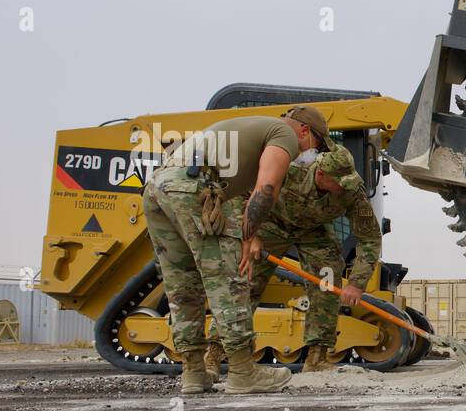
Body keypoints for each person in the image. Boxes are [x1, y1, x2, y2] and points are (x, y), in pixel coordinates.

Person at [142, 106, 332, 394]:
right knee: (228, 281)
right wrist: (249, 235)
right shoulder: (284, 134)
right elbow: (267, 187)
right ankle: (243, 372)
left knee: (182, 284)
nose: (310, 156)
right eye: (315, 148)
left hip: (158, 187)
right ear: (305, 131)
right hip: (195, 188)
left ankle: (193, 372)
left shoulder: (248, 127)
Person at [205, 143, 381, 373]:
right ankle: (214, 354)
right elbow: (240, 197)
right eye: (339, 183)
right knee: (244, 284)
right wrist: (251, 234)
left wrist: (357, 283)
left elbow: (369, 238)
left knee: (326, 283)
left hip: (312, 230)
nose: (343, 188)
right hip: (269, 223)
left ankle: (317, 358)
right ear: (320, 174)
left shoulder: (351, 190)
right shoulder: (289, 168)